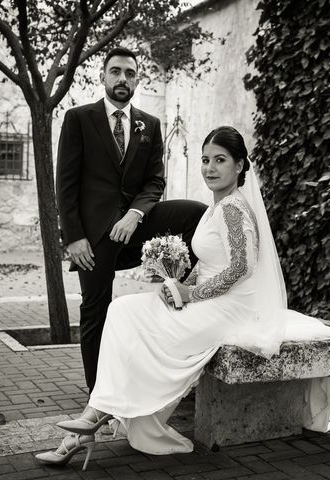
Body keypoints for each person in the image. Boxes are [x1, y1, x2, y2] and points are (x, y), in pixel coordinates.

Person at [37, 126, 330, 468]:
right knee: (121, 311)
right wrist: (175, 284)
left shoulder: (234, 209)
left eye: (220, 160)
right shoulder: (216, 206)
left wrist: (191, 293)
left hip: (232, 307)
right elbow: (208, 264)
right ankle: (96, 415)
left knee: (138, 325)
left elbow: (240, 269)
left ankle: (91, 421)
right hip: (208, 297)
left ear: (239, 166)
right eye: (206, 159)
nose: (210, 167)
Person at [56, 46, 206, 393]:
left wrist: (136, 214)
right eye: (116, 71)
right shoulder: (79, 119)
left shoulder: (149, 125)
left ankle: (175, 283)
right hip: (93, 236)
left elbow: (155, 181)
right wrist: (73, 237)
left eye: (130, 73)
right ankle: (98, 393)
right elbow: (65, 182)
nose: (122, 78)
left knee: (195, 213)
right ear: (103, 76)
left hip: (136, 223)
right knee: (95, 309)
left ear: (137, 79)